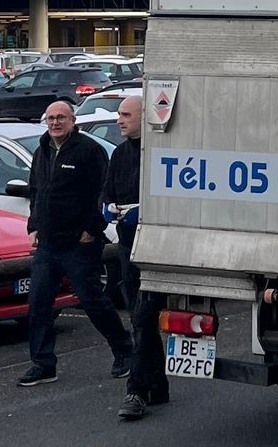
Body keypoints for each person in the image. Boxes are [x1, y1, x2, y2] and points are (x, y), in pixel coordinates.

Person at [19, 99, 132, 386]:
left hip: (79, 244)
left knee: (92, 301)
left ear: (73, 121)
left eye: (61, 118)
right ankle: (43, 364)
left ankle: (124, 352)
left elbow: (105, 191)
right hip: (48, 244)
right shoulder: (41, 150)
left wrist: (93, 229)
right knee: (39, 304)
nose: (55, 123)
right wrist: (34, 225)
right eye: (51, 118)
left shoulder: (89, 151)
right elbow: (36, 191)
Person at [105, 91, 167, 421]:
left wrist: (146, 211)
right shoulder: (118, 154)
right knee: (139, 319)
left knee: (143, 317)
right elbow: (108, 189)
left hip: (154, 248)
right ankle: (158, 385)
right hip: (128, 246)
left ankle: (137, 390)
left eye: (126, 115)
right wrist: (107, 206)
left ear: (143, 116)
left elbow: (169, 195)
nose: (119, 120)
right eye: (119, 115)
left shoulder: (157, 153)